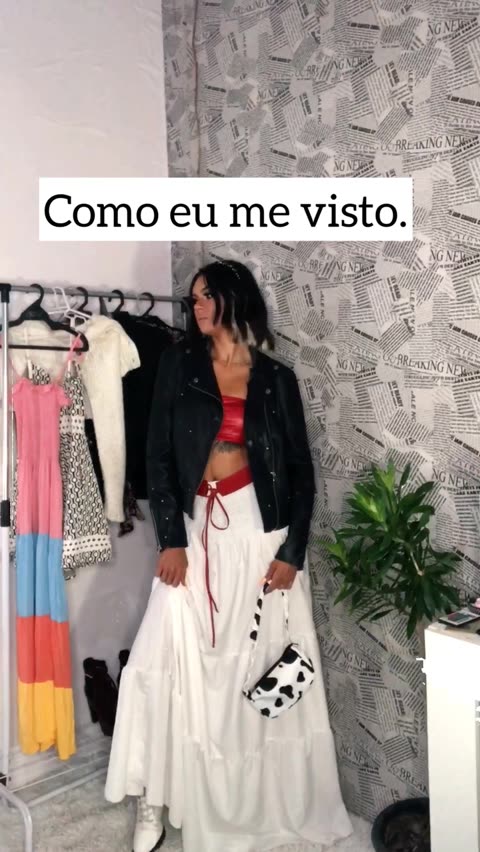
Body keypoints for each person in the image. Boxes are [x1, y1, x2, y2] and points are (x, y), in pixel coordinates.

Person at [104, 259, 352, 852]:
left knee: (254, 664)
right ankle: (155, 796)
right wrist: (171, 538)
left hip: (258, 533)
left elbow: (300, 471)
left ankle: (260, 799)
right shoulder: (178, 364)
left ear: (235, 298)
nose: (196, 307)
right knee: (160, 657)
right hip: (196, 529)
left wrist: (292, 550)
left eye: (206, 296)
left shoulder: (275, 378)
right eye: (193, 298)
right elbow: (158, 456)